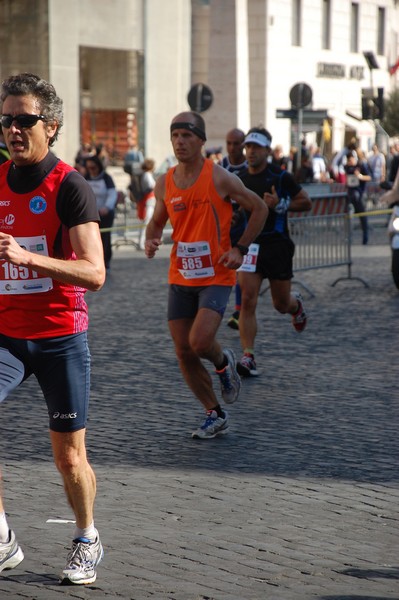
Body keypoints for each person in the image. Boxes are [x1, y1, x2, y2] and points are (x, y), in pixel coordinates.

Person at [0, 73, 105, 584]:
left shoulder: (70, 186)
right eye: (7, 120)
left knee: (69, 457)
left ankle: (86, 536)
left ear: (52, 126)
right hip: (6, 336)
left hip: (61, 337)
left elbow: (95, 272)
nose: (14, 130)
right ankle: (2, 538)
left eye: (25, 120)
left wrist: (26, 257)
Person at [145, 111, 268, 439]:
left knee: (199, 342)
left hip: (216, 274)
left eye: (186, 136)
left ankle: (223, 361)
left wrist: (240, 248)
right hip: (180, 275)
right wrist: (151, 238)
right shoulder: (165, 181)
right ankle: (214, 413)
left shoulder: (219, 178)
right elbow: (157, 220)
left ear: (200, 140)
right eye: (175, 136)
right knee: (183, 350)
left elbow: (260, 208)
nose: (180, 142)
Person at [236, 127, 312, 377]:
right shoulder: (238, 178)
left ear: (268, 150)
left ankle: (295, 306)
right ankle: (248, 356)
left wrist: (280, 204)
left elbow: (306, 202)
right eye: (248, 147)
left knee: (280, 304)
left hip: (278, 245)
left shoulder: (280, 177)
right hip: (250, 246)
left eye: (256, 148)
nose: (251, 152)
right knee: (247, 299)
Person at [221, 128, 248, 330]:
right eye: (229, 143)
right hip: (222, 227)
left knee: (242, 272)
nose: (231, 148)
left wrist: (238, 214)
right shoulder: (220, 166)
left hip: (244, 228)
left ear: (243, 145)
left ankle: (240, 311)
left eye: (236, 144)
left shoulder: (250, 167)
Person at [85, 154, 118, 270]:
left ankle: (106, 261)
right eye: (89, 168)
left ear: (98, 167)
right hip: (90, 214)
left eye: (93, 168)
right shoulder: (85, 177)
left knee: (105, 238)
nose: (91, 171)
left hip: (105, 214)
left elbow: (112, 194)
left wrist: (107, 207)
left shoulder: (106, 178)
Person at [344, 151, 371, 245]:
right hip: (350, 194)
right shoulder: (347, 167)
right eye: (348, 159)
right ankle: (349, 238)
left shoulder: (361, 165)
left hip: (360, 195)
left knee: (363, 217)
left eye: (351, 158)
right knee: (349, 218)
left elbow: (369, 177)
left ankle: (365, 237)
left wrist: (360, 176)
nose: (350, 160)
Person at [129, 158, 156, 251]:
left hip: (145, 201)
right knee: (146, 223)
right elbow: (151, 186)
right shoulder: (147, 174)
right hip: (148, 201)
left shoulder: (143, 174)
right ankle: (142, 242)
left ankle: (142, 242)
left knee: (145, 223)